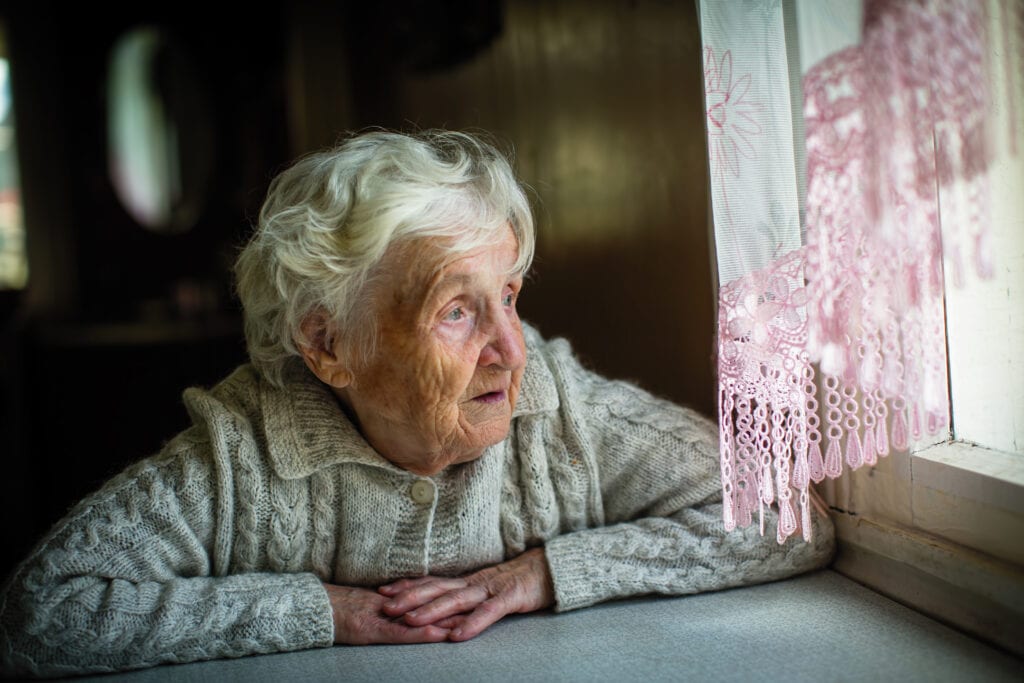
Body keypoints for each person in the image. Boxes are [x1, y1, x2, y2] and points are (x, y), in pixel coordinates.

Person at [0, 129, 834, 677]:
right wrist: (319, 610)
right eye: (457, 310)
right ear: (330, 347)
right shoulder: (248, 455)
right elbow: (48, 611)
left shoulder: (554, 410)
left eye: (509, 294)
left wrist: (545, 573)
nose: (511, 348)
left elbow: (787, 509)